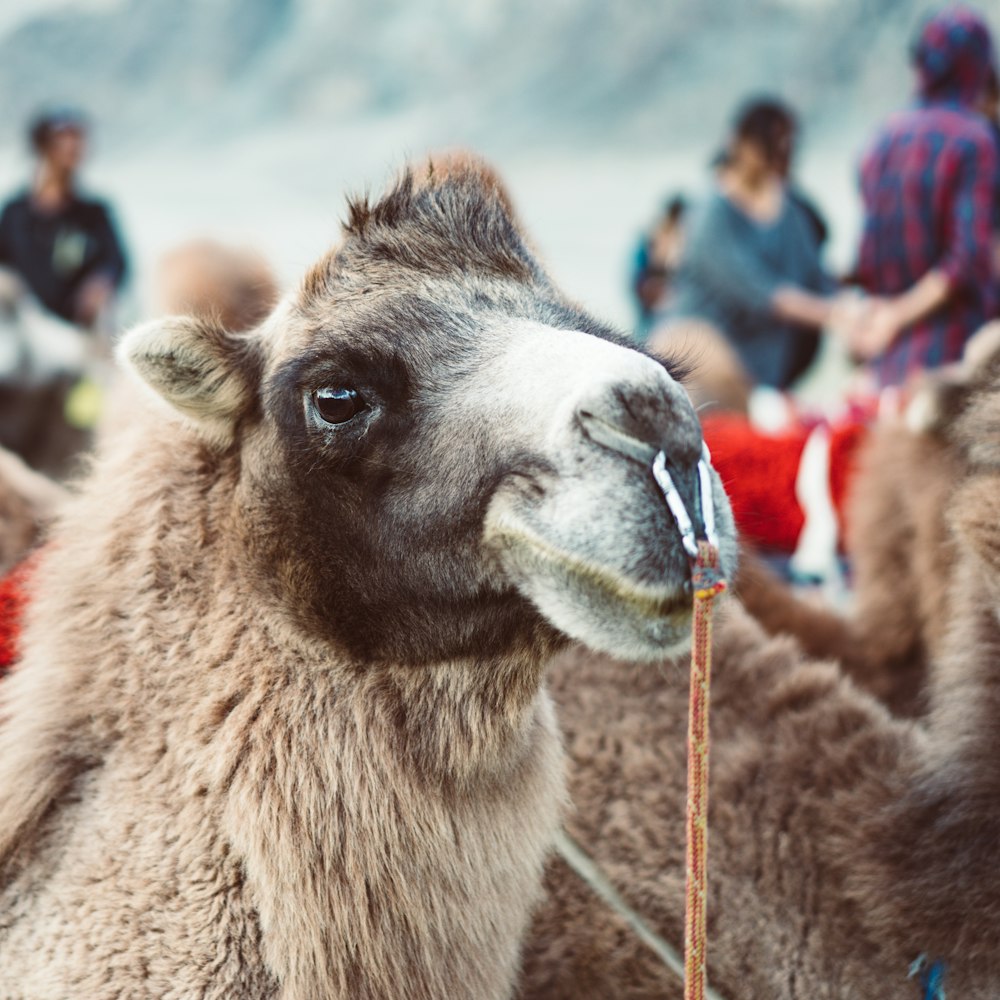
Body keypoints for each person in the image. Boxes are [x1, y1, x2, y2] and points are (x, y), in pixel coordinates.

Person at [650, 97, 847, 411]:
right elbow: (760, 293)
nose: (779, 155)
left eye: (785, 146)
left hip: (765, 374)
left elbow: (816, 277)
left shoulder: (791, 210)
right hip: (708, 366)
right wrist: (839, 314)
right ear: (741, 145)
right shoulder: (710, 215)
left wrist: (858, 312)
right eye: (770, 145)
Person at [852, 6, 999, 384]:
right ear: (977, 66)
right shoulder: (975, 139)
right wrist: (900, 313)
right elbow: (967, 260)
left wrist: (886, 317)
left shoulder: (881, 139)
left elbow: (867, 261)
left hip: (887, 364)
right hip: (953, 360)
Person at [0, 108, 127, 334]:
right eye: (64, 141)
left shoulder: (94, 212)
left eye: (78, 141)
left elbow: (117, 263)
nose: (74, 148)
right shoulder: (15, 212)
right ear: (42, 147)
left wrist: (101, 284)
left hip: (80, 324)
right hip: (27, 326)